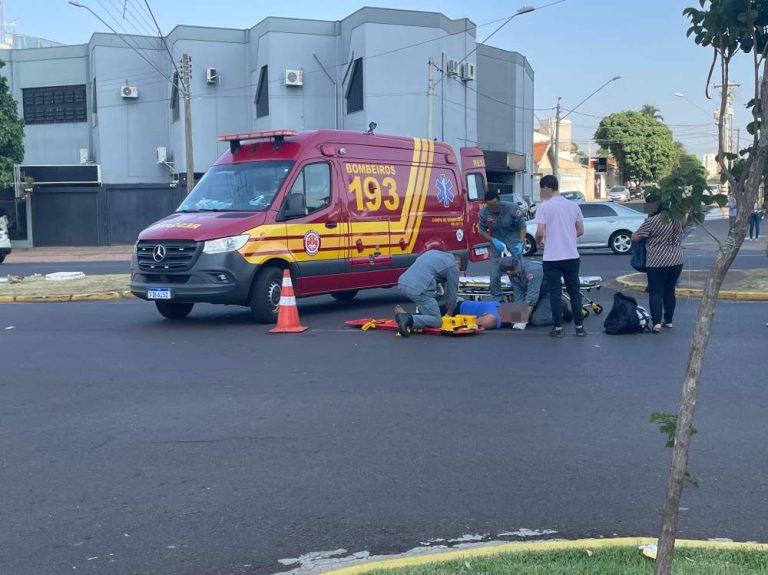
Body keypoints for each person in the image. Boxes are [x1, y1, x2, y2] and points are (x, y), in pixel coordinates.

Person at [533, 175, 586, 337]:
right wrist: (568, 238)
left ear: (547, 188)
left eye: (542, 189)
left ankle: (558, 328)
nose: (541, 192)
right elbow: (581, 230)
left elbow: (540, 232)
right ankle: (579, 327)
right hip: (571, 256)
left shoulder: (544, 207)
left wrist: (538, 243)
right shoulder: (573, 206)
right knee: (574, 291)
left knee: (555, 293)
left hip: (552, 258)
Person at [631, 205, 687, 333]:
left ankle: (656, 323)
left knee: (656, 292)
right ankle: (669, 321)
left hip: (657, 261)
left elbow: (635, 237)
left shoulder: (651, 221)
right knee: (670, 290)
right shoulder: (675, 218)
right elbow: (683, 225)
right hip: (676, 260)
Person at [395, 250, 462, 337]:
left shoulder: (432, 253)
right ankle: (408, 318)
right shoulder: (452, 266)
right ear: (458, 263)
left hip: (403, 283)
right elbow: (452, 293)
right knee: (436, 320)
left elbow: (427, 270)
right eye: (459, 268)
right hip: (419, 289)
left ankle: (404, 315)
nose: (458, 272)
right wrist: (449, 313)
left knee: (427, 314)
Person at [478, 190, 527, 302]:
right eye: (490, 205)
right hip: (497, 240)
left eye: (495, 205)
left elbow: (522, 226)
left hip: (513, 238)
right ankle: (498, 302)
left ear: (499, 201)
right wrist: (492, 240)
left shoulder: (512, 208)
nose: (493, 208)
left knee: (517, 272)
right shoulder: (483, 212)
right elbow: (482, 230)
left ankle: (520, 300)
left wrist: (520, 242)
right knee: (494, 274)